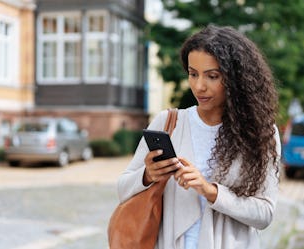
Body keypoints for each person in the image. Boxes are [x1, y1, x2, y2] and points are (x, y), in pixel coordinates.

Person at [117, 24, 281, 249]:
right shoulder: (168, 123)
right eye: (193, 74)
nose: (199, 86)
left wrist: (210, 191)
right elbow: (123, 188)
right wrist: (148, 175)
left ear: (236, 79)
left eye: (212, 76)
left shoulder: (262, 133)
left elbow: (264, 214)